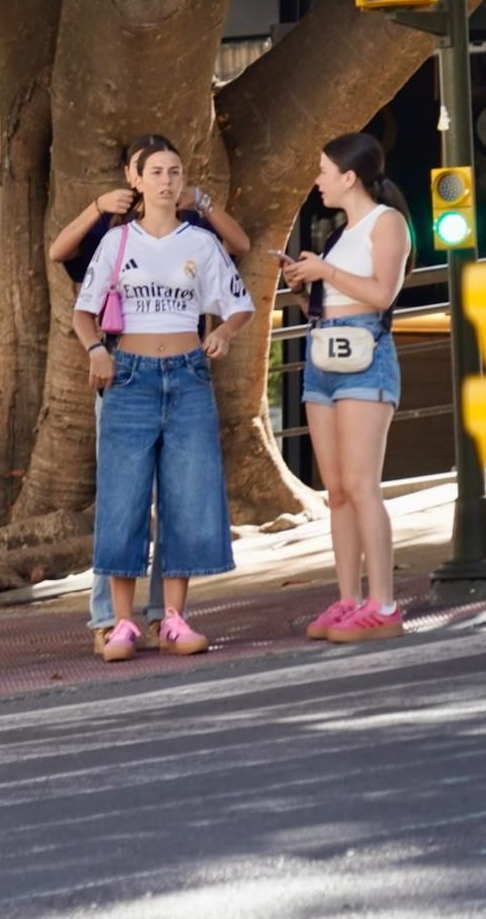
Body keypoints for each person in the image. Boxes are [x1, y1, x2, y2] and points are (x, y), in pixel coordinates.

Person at [50, 135, 251, 654]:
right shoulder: (117, 241)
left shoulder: (200, 242)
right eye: (157, 171)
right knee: (124, 495)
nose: (166, 180)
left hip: (187, 373)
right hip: (129, 376)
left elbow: (238, 302)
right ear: (136, 180)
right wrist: (96, 349)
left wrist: (223, 334)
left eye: (175, 172)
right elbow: (82, 308)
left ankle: (175, 618)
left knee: (187, 494)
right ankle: (120, 622)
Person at [282, 132, 413, 642]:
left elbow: (382, 293)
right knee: (335, 489)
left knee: (362, 485)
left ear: (349, 177)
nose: (318, 181)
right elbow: (332, 303)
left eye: (323, 171)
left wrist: (327, 269)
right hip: (324, 354)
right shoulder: (342, 231)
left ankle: (383, 604)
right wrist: (303, 286)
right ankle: (348, 599)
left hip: (366, 355)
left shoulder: (388, 224)